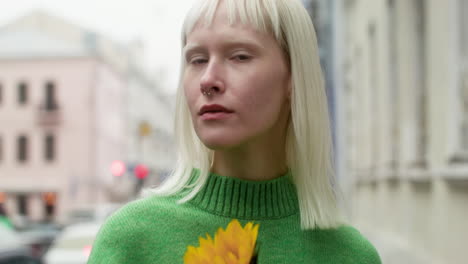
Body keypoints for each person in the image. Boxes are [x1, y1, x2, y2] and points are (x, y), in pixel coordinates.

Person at [88, 0, 381, 263]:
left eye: (239, 56)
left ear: (293, 77)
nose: (208, 80)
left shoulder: (350, 255)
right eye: (197, 60)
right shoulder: (132, 241)